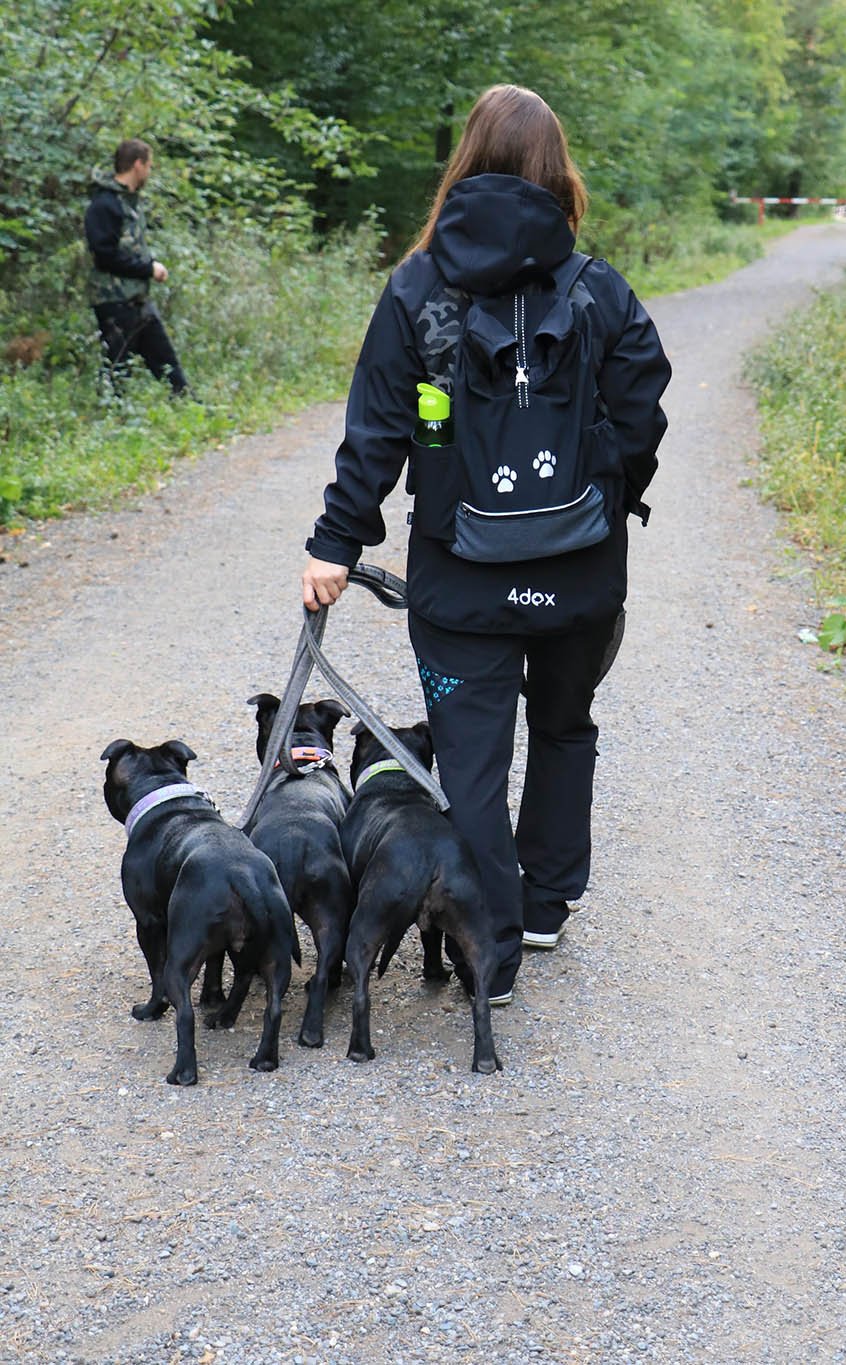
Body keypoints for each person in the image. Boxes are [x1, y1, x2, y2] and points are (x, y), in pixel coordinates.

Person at [302, 85, 671, 1004]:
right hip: (580, 570)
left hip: (460, 575)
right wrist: (606, 494)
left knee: (471, 758)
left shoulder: (418, 285)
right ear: (560, 172)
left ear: (464, 160)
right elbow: (644, 409)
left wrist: (334, 546)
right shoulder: (598, 290)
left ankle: (489, 948)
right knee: (562, 727)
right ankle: (545, 905)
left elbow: (377, 430)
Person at [84, 138, 189, 396]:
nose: (150, 172)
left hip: (138, 300)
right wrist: (148, 269)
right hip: (114, 301)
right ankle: (111, 419)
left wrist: (148, 268)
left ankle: (192, 406)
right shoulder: (104, 205)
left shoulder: (130, 203)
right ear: (138, 165)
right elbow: (104, 256)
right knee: (117, 370)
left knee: (166, 361)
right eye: (149, 166)